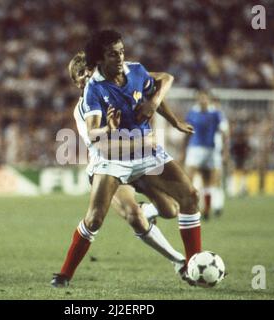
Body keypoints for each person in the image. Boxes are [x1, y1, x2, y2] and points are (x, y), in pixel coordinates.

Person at [51, 30, 202, 287]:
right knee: (97, 217)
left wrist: (161, 110)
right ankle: (65, 274)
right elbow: (96, 136)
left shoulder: (135, 71)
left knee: (180, 204)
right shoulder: (92, 94)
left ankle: (194, 264)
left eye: (121, 51)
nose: (120, 57)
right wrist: (112, 129)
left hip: (143, 152)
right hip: (112, 159)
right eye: (113, 53)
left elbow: (161, 82)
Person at [180, 90, 229, 220]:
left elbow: (224, 132)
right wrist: (183, 151)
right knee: (188, 180)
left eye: (205, 98)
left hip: (211, 150)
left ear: (209, 99)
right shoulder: (192, 113)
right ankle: (189, 208)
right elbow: (187, 132)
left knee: (209, 182)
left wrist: (225, 150)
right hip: (194, 149)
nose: (202, 100)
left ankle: (207, 209)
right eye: (200, 98)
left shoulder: (216, 113)